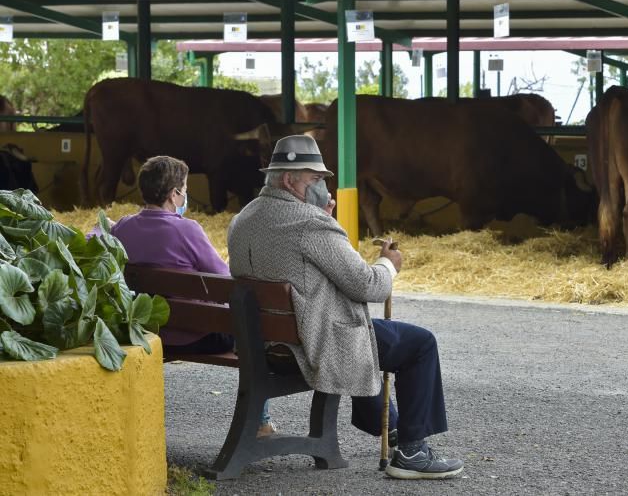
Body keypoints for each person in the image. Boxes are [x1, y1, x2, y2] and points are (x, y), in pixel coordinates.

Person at [227, 135, 463, 479]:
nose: (324, 187)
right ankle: (412, 454)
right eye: (316, 179)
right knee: (419, 344)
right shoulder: (310, 224)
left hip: (260, 343)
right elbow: (369, 286)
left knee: (364, 333)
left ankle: (391, 427)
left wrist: (324, 222)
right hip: (311, 343)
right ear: (291, 181)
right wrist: (388, 264)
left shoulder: (244, 218)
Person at [98, 155, 275, 438]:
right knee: (253, 330)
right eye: (183, 189)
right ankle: (260, 422)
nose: (185, 195)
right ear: (173, 194)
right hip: (198, 334)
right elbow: (225, 281)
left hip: (149, 329)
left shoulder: (124, 227)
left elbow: (100, 240)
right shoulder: (187, 230)